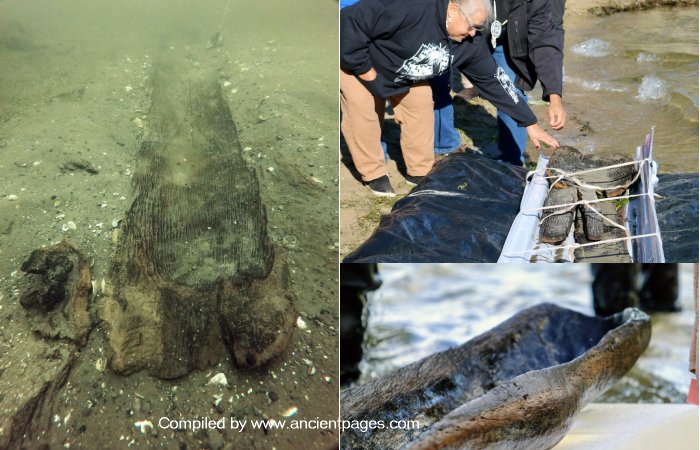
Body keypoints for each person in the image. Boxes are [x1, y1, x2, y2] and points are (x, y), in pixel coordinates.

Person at [340, 0, 560, 197]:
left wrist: (529, 122)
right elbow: (348, 23)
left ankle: (419, 172)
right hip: (363, 64)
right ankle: (374, 173)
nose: (474, 34)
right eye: (471, 26)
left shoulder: (470, 44)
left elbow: (496, 82)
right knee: (362, 110)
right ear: (453, 9)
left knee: (421, 104)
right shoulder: (411, 7)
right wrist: (368, 74)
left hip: (406, 72)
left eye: (478, 28)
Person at [485, 0, 566, 165]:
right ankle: (444, 147)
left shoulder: (539, 5)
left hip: (509, 32)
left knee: (510, 88)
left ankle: (512, 164)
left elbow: (546, 41)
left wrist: (555, 97)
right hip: (471, 26)